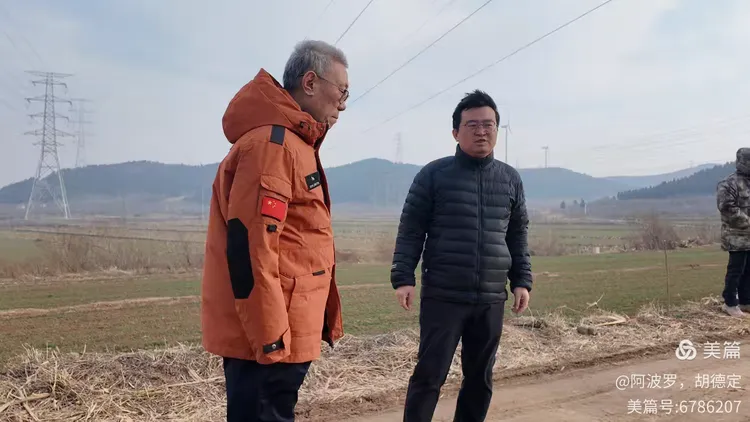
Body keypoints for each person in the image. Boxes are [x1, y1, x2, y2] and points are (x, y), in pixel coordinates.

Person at [201, 40, 350, 421]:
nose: (343, 105)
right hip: (268, 339)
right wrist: (270, 340)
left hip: (283, 329)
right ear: (311, 82)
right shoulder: (273, 146)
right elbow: (252, 249)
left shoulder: (293, 144)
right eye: (342, 91)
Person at [390, 89, 532, 422]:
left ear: (497, 129)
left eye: (488, 124)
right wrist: (403, 277)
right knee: (429, 375)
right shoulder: (433, 175)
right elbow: (411, 229)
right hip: (444, 296)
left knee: (480, 378)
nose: (481, 132)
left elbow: (517, 234)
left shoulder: (510, 179)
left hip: (491, 298)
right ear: (455, 132)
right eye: (472, 125)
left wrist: (522, 280)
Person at [716, 147, 750, 318]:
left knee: (748, 270)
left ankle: (745, 301)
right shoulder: (728, 183)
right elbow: (727, 209)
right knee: (736, 270)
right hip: (736, 236)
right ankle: (730, 303)